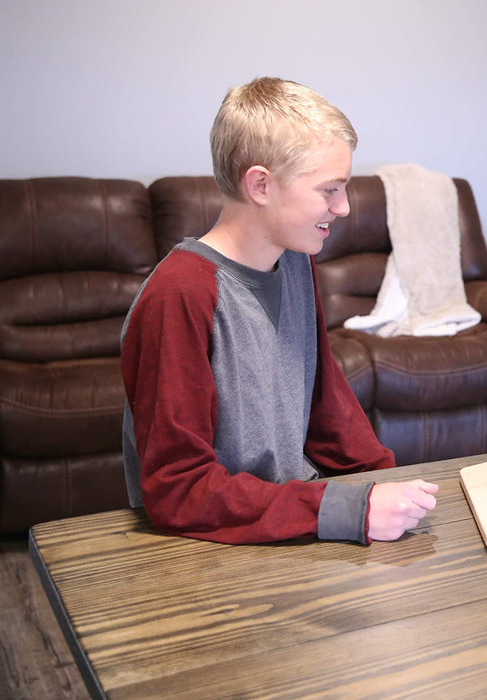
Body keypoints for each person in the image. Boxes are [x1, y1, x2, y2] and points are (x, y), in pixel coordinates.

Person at [121, 77, 438, 545]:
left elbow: (324, 402)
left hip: (288, 518)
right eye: (329, 189)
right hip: (207, 541)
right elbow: (179, 490)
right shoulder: (179, 295)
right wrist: (346, 509)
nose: (345, 207)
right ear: (261, 185)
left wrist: (380, 485)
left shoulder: (295, 261)